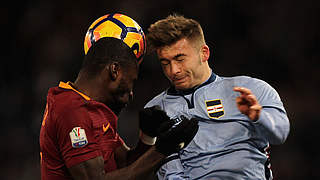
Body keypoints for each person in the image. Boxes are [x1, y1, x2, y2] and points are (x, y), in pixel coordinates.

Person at [39, 13, 198, 180]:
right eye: (131, 80)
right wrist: (164, 149)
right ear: (115, 70)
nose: (131, 92)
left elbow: (125, 167)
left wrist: (148, 138)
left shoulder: (95, 110)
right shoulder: (70, 109)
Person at [145, 14, 290, 180]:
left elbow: (280, 134)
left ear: (204, 53)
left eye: (180, 59)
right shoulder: (156, 110)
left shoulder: (252, 89)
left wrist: (259, 116)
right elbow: (171, 173)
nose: (173, 70)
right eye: (165, 63)